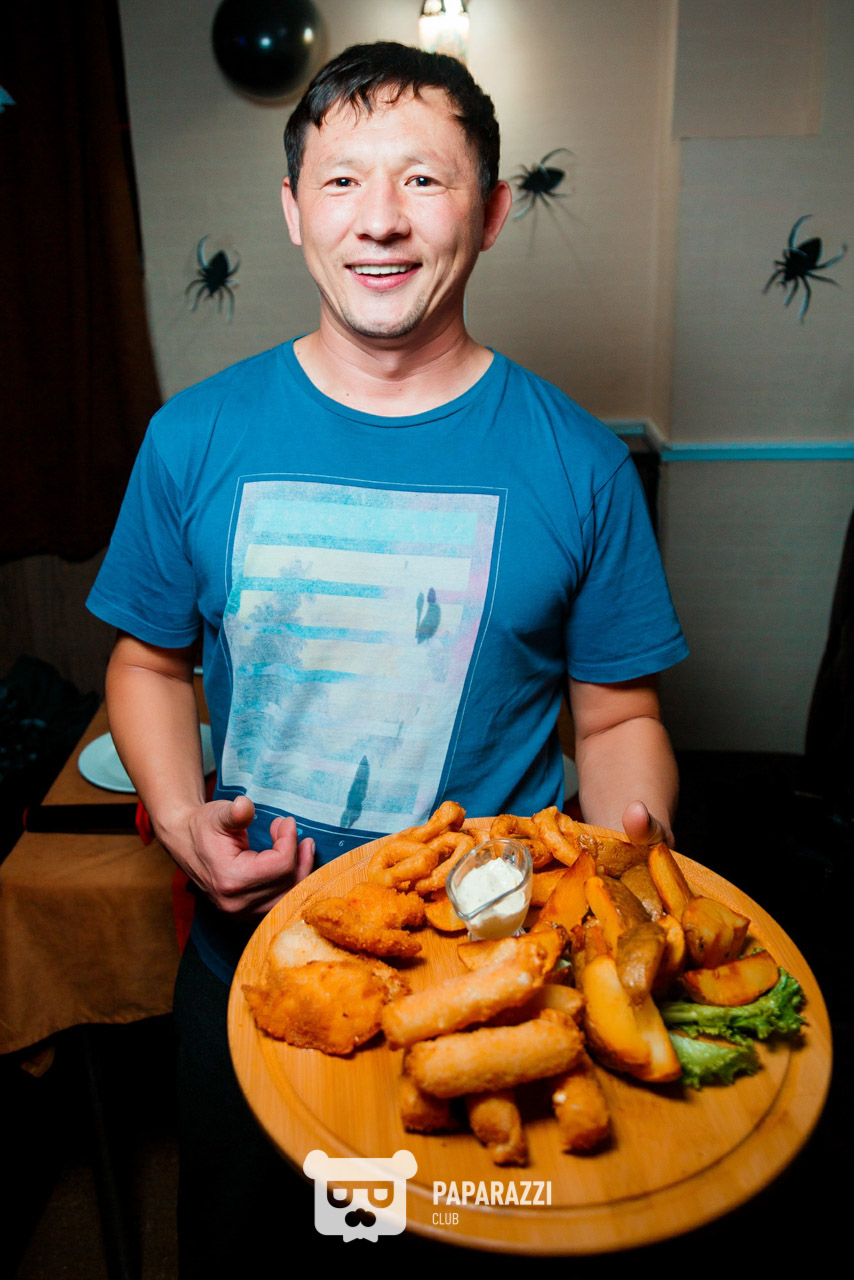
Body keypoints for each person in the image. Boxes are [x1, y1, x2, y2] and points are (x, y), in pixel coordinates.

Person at [87, 41, 687, 1272]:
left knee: (456, 1250)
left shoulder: (579, 462)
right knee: (258, 1254)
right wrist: (180, 813)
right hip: (257, 961)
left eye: (423, 179)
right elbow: (146, 665)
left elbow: (617, 714)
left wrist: (629, 864)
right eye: (342, 180)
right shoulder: (191, 436)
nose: (380, 219)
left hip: (492, 986)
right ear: (292, 209)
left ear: (491, 210)